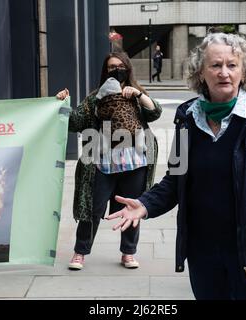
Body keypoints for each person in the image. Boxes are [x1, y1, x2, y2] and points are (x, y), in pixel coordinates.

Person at [107, 33, 246, 300]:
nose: (224, 73)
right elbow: (176, 179)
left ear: (244, 71)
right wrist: (145, 204)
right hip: (204, 252)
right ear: (201, 72)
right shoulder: (188, 117)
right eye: (215, 65)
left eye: (232, 65)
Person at [56, 52, 162, 271]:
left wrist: (138, 96)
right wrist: (63, 103)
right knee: (92, 209)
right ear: (105, 71)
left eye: (120, 66)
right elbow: (74, 122)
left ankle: (128, 253)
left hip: (135, 164)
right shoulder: (95, 97)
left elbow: (155, 112)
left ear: (128, 69)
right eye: (111, 67)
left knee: (131, 208)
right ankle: (80, 252)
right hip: (101, 165)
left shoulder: (136, 94)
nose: (116, 70)